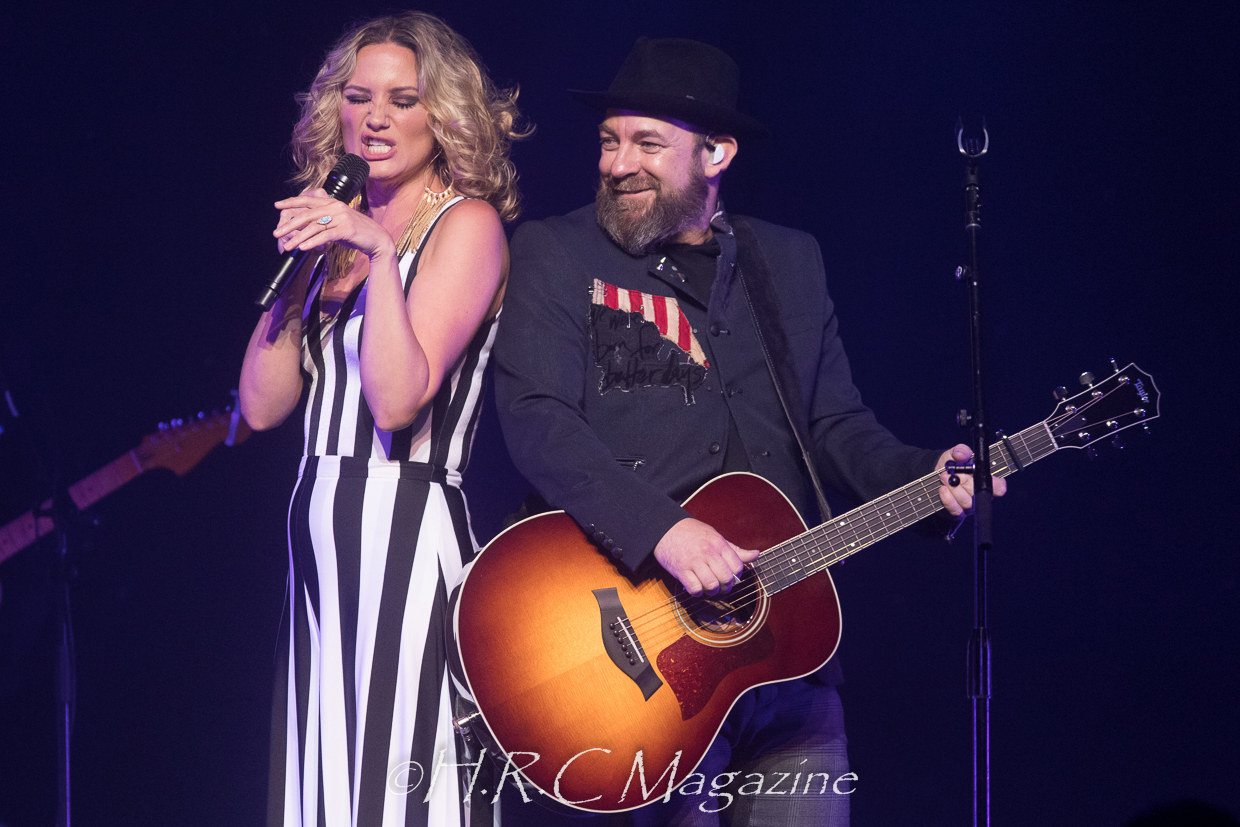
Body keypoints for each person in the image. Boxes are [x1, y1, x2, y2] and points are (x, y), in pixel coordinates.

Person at [492, 38, 1004, 826]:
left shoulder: (790, 262)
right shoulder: (556, 252)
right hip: (645, 667)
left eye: (647, 144)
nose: (617, 163)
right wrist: (663, 530)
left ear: (717, 153)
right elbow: (538, 418)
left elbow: (835, 425)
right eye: (608, 140)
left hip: (789, 658)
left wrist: (924, 475)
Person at [239, 12, 524, 826]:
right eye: (359, 97)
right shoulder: (337, 229)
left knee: (400, 793)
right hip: (322, 545)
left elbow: (396, 399)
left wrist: (379, 256)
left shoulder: (465, 226)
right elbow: (261, 405)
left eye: (403, 100)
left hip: (404, 528)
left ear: (444, 116)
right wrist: (305, 265)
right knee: (328, 786)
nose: (375, 118)